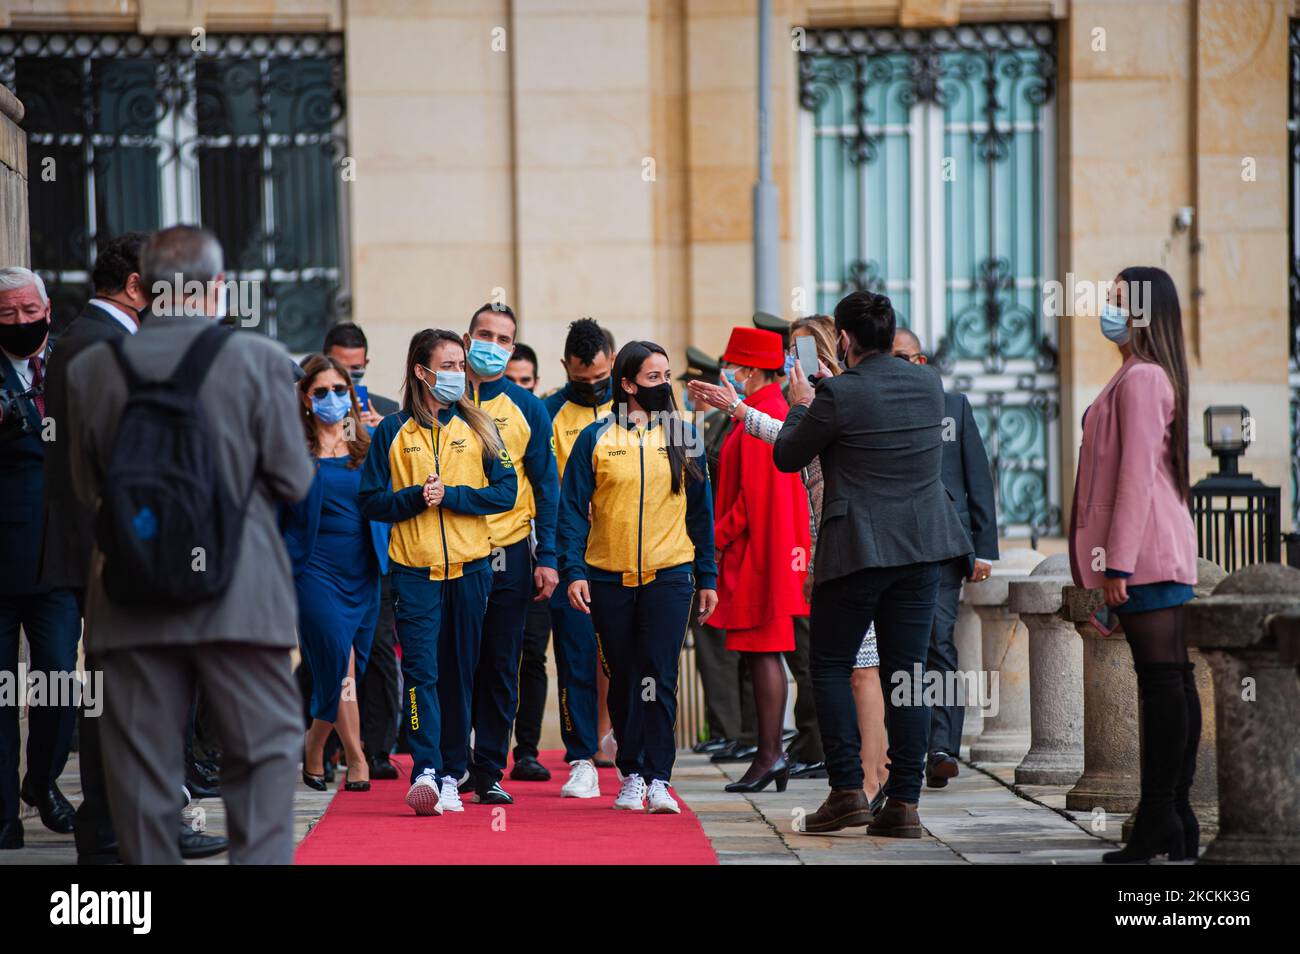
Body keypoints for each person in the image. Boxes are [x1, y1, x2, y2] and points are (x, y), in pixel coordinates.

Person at [66, 226, 315, 863]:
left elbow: (87, 486)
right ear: (218, 287)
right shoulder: (258, 360)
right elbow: (293, 480)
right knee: (260, 759)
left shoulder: (93, 368)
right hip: (241, 597)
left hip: (129, 595)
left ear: (145, 288)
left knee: (142, 775)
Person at [37, 234, 227, 862]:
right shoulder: (103, 344)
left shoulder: (98, 339)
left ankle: (125, 824)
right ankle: (122, 830)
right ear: (138, 287)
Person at [773, 290, 970, 837]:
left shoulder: (837, 393)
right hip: (923, 548)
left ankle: (845, 793)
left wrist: (798, 403)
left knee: (831, 665)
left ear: (846, 339)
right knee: (907, 673)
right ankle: (904, 802)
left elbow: (789, 456)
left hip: (858, 549)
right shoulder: (929, 384)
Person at [1068, 267, 1198, 863]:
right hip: (1145, 554)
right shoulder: (1134, 374)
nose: (1107, 309)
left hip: (1144, 555)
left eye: (1119, 300)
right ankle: (1173, 819)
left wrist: (1115, 564)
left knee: (1164, 685)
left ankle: (1160, 820)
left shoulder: (1143, 379)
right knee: (1168, 683)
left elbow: (1137, 477)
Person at [359, 329, 516, 816]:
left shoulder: (480, 426)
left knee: (459, 675)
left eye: (459, 364)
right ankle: (425, 768)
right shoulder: (391, 431)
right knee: (421, 671)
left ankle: (454, 771)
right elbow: (370, 500)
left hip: (471, 570)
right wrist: (412, 499)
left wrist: (453, 495)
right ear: (421, 372)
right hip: (414, 572)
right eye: (445, 365)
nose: (455, 373)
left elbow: (505, 492)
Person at [558, 341, 718, 813]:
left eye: (666, 375)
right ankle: (631, 772)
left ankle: (659, 779)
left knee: (660, 676)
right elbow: (570, 513)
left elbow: (700, 515)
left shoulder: (684, 435)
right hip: (609, 578)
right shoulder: (596, 438)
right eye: (653, 378)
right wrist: (573, 571)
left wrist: (706, 576)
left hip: (669, 576)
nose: (664, 385)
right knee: (625, 678)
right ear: (626, 385)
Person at [459, 305, 559, 804]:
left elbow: (546, 486)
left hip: (509, 553)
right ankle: (450, 764)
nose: (492, 345)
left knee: (501, 662)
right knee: (452, 662)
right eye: (484, 335)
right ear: (466, 336)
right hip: (450, 552)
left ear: (513, 348)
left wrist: (550, 557)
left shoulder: (528, 408)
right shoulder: (441, 401)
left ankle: (489, 768)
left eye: (503, 339)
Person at [890, 328, 999, 788]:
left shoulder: (954, 406)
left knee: (938, 643)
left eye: (907, 358)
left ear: (921, 361)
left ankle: (941, 748)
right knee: (899, 651)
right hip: (892, 545)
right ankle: (903, 750)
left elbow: (979, 478)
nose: (900, 366)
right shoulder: (878, 406)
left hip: (944, 546)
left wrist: (984, 548)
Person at [707, 327, 810, 793]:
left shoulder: (762, 413)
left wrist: (713, 540)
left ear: (748, 369)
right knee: (760, 653)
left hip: (756, 556)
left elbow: (750, 502)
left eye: (734, 364)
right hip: (762, 552)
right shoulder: (765, 409)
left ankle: (770, 754)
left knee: (765, 652)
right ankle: (771, 753)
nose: (729, 372)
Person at [0, 267, 81, 850]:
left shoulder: (72, 368)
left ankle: (42, 781)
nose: (23, 323)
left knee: (59, 679)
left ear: (48, 309)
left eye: (30, 312)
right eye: (9, 315)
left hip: (57, 562)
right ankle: (3, 812)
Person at [283, 354, 389, 794]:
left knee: (345, 668)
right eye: (322, 392)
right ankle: (356, 755)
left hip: (362, 569)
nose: (332, 399)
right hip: (312, 570)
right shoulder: (292, 446)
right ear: (306, 399)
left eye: (340, 391)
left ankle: (312, 746)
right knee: (338, 659)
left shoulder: (365, 443)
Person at [324, 321, 401, 782]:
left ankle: (378, 751)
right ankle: (327, 747)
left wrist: (376, 439)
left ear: (367, 365)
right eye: (340, 370)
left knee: (377, 652)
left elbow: (405, 484)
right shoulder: (308, 408)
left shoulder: (389, 414)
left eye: (356, 371)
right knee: (330, 656)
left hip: (377, 552)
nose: (349, 382)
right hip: (326, 556)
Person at [541, 318, 615, 798]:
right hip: (571, 554)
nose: (592, 389)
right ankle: (581, 756)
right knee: (575, 658)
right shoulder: (545, 411)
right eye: (581, 381)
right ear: (566, 366)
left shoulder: (635, 413)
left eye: (601, 380)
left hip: (627, 551)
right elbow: (541, 487)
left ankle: (629, 751)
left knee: (627, 658)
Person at [504, 342, 553, 782]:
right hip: (491, 555)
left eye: (525, 380)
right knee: (490, 656)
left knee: (532, 656)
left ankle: (528, 750)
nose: (519, 387)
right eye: (512, 379)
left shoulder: (538, 417)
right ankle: (486, 750)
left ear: (535, 383)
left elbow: (548, 490)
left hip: (534, 557)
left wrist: (549, 557)